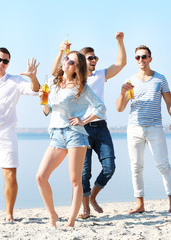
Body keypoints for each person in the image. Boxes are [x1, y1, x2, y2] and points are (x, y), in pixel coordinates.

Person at [51, 32, 126, 219]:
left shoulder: (101, 75)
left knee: (109, 167)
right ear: (82, 61)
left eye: (95, 57)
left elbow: (121, 63)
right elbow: (55, 73)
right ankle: (85, 209)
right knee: (84, 174)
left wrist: (120, 41)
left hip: (99, 126)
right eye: (90, 57)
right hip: (80, 130)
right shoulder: (75, 80)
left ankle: (93, 197)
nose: (94, 60)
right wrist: (62, 53)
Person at [36, 51, 106, 227]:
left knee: (75, 181)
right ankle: (53, 215)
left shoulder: (81, 87)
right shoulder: (54, 85)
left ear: (77, 67)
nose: (66, 62)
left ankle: (71, 221)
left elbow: (100, 107)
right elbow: (47, 112)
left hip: (75, 134)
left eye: (71, 61)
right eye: (66, 59)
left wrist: (84, 120)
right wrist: (43, 101)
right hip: (56, 134)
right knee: (40, 177)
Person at [0, 47, 40, 222]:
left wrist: (33, 77)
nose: (1, 63)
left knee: (10, 174)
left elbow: (35, 90)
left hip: (7, 133)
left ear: (8, 63)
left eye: (5, 61)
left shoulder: (16, 81)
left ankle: (9, 214)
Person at [116, 45, 171, 214]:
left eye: (144, 56)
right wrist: (122, 93)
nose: (141, 60)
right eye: (137, 57)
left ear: (150, 59)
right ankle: (140, 204)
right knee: (136, 166)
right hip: (134, 128)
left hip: (155, 127)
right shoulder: (130, 81)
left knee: (163, 165)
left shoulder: (160, 79)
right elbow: (120, 108)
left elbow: (169, 102)